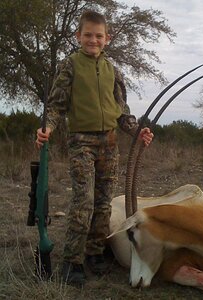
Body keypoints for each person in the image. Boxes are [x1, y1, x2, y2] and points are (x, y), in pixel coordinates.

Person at [36, 10, 154, 286]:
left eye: (98, 36)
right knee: (83, 202)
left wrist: (138, 132)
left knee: (103, 204)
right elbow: (55, 106)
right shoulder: (70, 65)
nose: (93, 40)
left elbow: (122, 112)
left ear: (107, 39)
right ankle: (72, 261)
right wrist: (48, 128)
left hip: (109, 144)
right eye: (87, 35)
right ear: (78, 36)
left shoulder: (114, 70)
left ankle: (95, 254)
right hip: (81, 143)